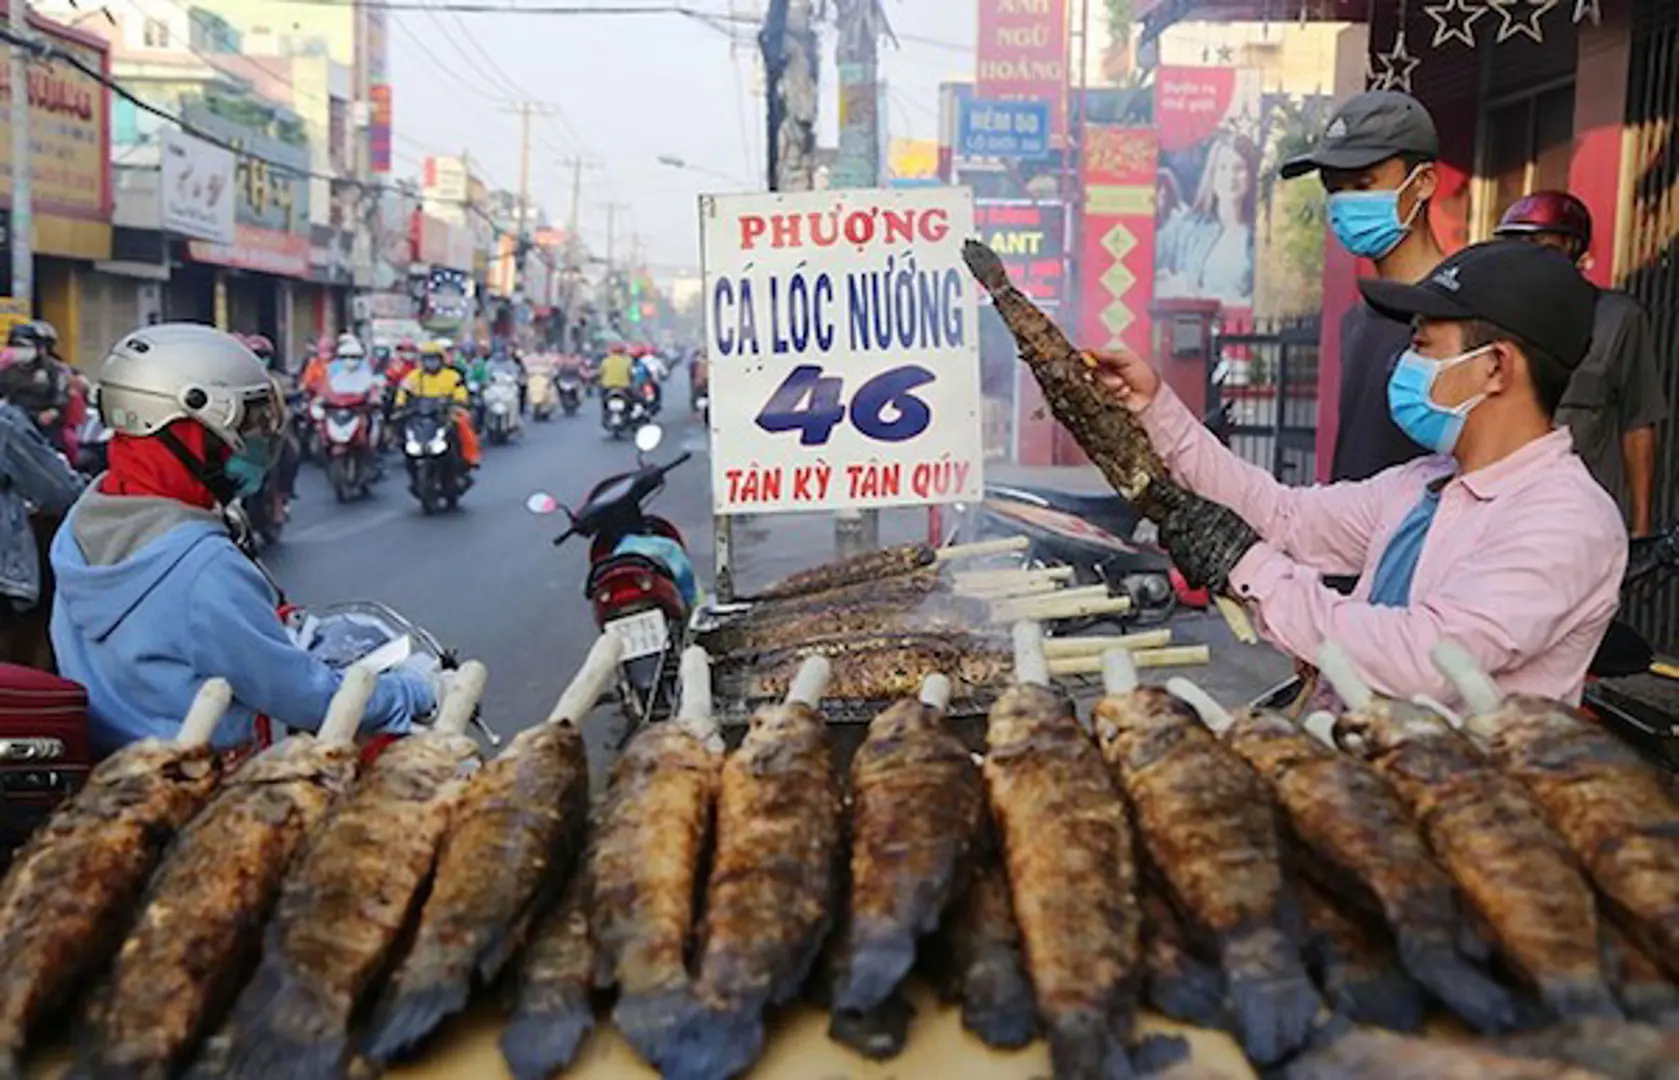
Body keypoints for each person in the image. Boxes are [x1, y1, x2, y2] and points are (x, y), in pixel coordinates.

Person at [1089, 240, 1625, 706]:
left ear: (1496, 367)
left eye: (1421, 348)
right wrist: (1155, 408)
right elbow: (1283, 515)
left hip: (1456, 803)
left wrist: (1246, 566)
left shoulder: (1567, 519)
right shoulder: (1422, 483)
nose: (1400, 366)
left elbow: (1428, 660)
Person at [49, 324, 437, 754]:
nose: (254, 439)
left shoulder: (82, 524)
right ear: (194, 426)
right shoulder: (204, 569)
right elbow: (309, 698)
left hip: (112, 778)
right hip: (201, 789)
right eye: (245, 422)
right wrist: (414, 691)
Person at [1282, 90, 1448, 483]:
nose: (1344, 203)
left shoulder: (1465, 310)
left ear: (1422, 182)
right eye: (1333, 188)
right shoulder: (1357, 319)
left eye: (1362, 184)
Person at [1494, 191, 1668, 537]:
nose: (1527, 255)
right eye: (1518, 243)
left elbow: (1638, 423)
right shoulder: (1494, 316)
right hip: (1505, 514)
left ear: (1572, 246)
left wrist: (1641, 526)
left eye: (1539, 242)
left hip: (1583, 522)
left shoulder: (1619, 319)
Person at [1156, 133, 1258, 306]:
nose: (1231, 177)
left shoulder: (1260, 238)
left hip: (1239, 329)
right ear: (1212, 175)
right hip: (1191, 328)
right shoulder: (1186, 228)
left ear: (1251, 176)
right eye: (1223, 168)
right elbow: (1142, 260)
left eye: (1239, 168)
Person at [397, 341, 481, 469]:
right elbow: (403, 391)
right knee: (403, 426)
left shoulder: (452, 376)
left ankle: (470, 457)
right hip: (421, 413)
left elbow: (460, 391)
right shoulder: (414, 376)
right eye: (427, 359)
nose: (430, 363)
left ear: (441, 359)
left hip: (446, 412)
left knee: (463, 423)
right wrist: (400, 404)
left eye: (434, 359)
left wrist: (459, 402)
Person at [0, 321, 77, 455]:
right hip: (15, 424)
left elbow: (62, 395)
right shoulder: (7, 371)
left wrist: (53, 411)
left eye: (24, 346)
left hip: (45, 425)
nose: (20, 351)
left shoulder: (53, 369)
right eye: (16, 346)